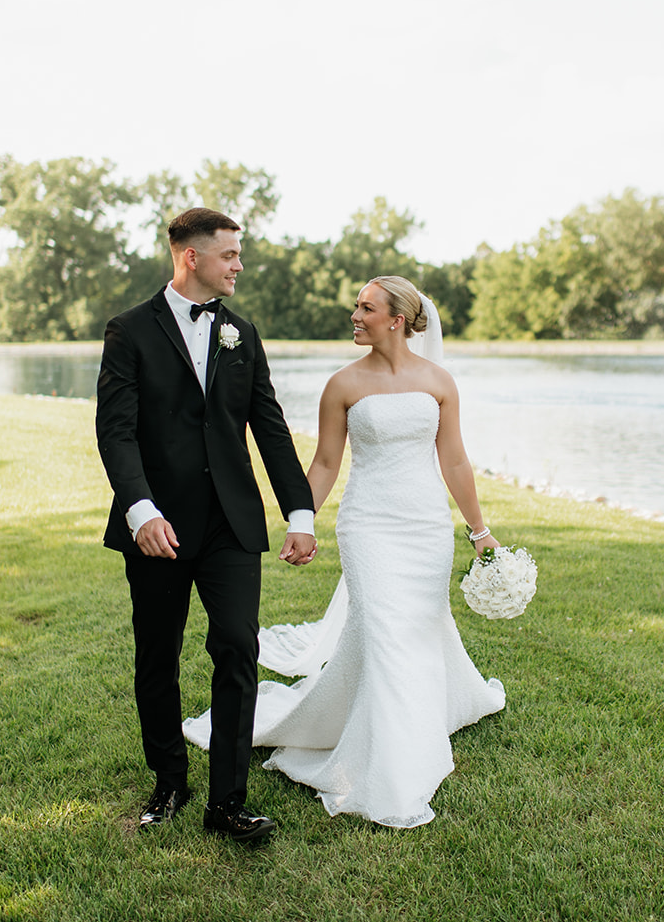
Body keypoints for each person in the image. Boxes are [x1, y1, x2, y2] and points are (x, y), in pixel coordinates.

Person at [184, 275, 506, 828]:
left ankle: (403, 732)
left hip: (425, 525)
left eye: (365, 308)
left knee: (415, 630)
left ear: (397, 319)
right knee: (383, 629)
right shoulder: (342, 385)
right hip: (369, 526)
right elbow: (327, 462)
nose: (354, 316)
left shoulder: (440, 382)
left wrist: (479, 532)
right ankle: (392, 766)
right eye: (356, 306)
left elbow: (453, 460)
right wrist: (301, 521)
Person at [95, 207, 317, 843]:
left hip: (230, 524)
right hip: (157, 528)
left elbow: (270, 429)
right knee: (157, 657)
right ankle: (169, 781)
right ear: (192, 257)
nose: (239, 265)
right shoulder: (129, 331)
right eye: (230, 255)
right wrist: (141, 510)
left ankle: (228, 805)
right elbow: (116, 431)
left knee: (238, 649)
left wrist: (297, 512)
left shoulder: (242, 333)